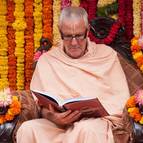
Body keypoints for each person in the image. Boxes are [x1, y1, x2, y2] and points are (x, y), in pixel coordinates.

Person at [16, 6, 130, 143]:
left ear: (87, 31)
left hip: (95, 124)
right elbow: (39, 104)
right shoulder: (48, 60)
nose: (74, 42)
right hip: (57, 125)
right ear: (60, 32)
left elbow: (120, 101)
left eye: (79, 36)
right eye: (68, 36)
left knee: (87, 128)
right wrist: (53, 116)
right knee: (28, 128)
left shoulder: (106, 55)